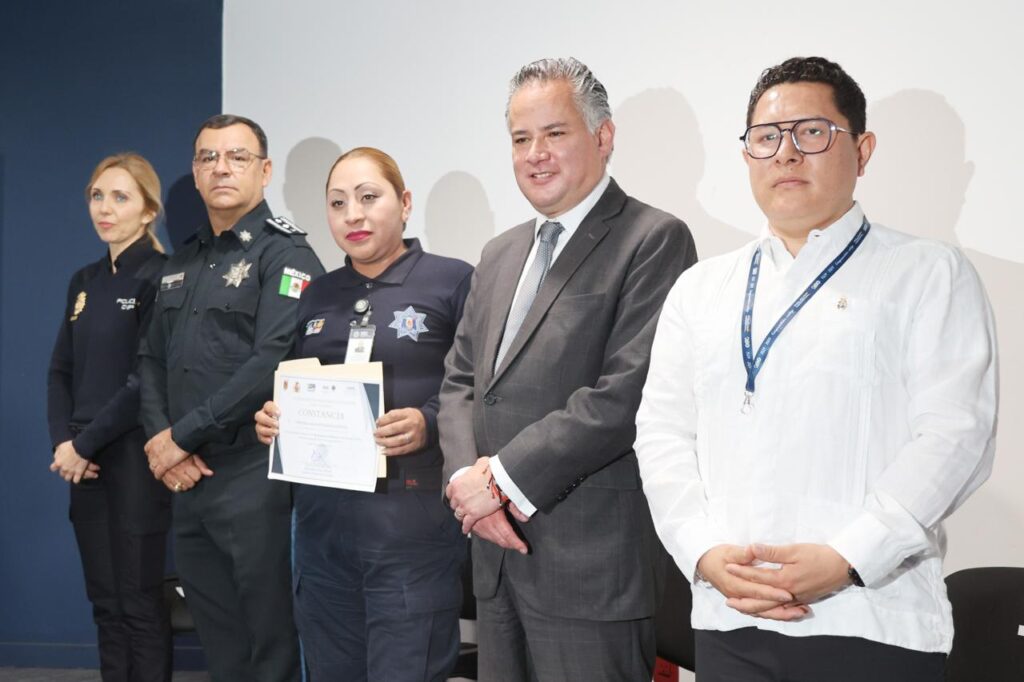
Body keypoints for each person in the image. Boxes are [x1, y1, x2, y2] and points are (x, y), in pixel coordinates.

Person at [634, 56, 998, 681]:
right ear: (747, 155)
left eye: (812, 133)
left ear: (863, 150)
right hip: (731, 617)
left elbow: (955, 436)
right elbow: (662, 432)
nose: (786, 153)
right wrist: (703, 551)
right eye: (766, 137)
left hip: (872, 618)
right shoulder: (701, 289)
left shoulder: (927, 272)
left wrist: (849, 557)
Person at [439, 57, 697, 681]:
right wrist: (467, 484)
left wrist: (499, 482)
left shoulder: (653, 239)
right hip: (495, 559)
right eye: (520, 139)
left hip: (591, 569)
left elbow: (623, 396)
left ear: (603, 137)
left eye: (555, 133)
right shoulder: (500, 253)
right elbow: (461, 382)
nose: (535, 154)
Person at [255, 147, 473, 681]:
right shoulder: (317, 294)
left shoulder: (453, 281)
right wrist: (276, 419)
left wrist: (426, 420)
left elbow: (481, 387)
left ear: (404, 203)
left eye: (368, 197)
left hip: (411, 532)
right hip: (322, 535)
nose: (352, 214)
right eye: (337, 203)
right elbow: (297, 382)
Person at [138, 114, 324, 681]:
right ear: (195, 173)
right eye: (208, 157)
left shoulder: (286, 255)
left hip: (254, 477)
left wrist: (181, 436)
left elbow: (271, 361)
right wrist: (162, 443)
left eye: (237, 157)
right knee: (218, 639)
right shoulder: (181, 260)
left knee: (271, 638)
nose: (221, 168)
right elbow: (150, 359)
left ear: (264, 171)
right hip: (189, 479)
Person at [47, 152, 172, 682]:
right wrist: (65, 444)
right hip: (83, 463)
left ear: (148, 210)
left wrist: (84, 445)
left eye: (121, 197)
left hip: (133, 459)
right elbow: (61, 370)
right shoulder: (84, 280)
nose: (105, 208)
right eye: (97, 196)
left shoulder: (162, 277)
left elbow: (144, 381)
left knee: (139, 601)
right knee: (105, 602)